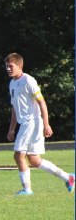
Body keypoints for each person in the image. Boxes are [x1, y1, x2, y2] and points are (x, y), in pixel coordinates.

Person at [4, 53, 74, 195]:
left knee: (18, 156)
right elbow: (14, 108)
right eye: (6, 66)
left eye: (11, 66)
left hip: (31, 122)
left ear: (19, 66)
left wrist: (46, 124)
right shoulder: (12, 83)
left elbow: (41, 102)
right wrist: (11, 129)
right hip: (26, 124)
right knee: (35, 160)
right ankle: (69, 178)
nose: (8, 69)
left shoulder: (28, 80)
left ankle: (27, 190)